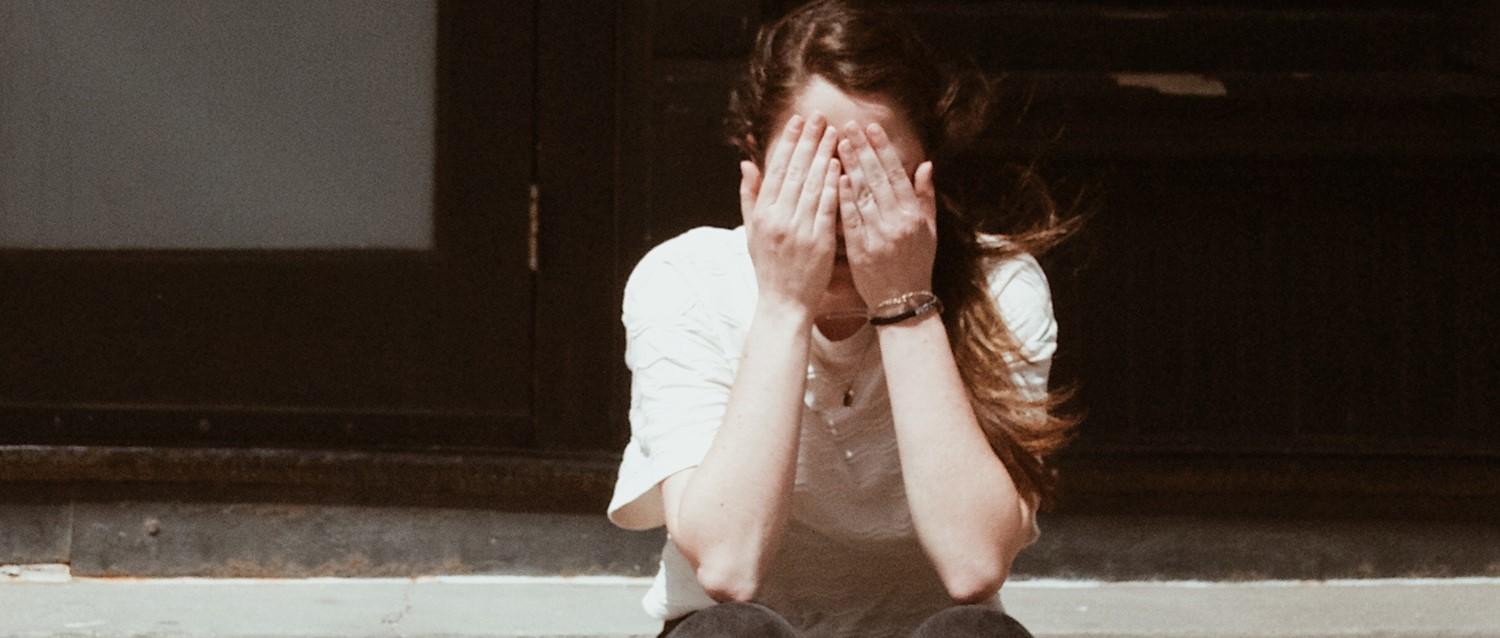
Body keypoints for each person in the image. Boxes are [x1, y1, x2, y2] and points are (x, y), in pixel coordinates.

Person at [607, 1, 1081, 636]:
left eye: (872, 174)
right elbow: (728, 566)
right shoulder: (685, 279)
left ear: (925, 176)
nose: (839, 212)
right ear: (755, 164)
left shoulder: (1001, 286)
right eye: (810, 174)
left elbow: (974, 567)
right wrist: (784, 306)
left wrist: (905, 305)